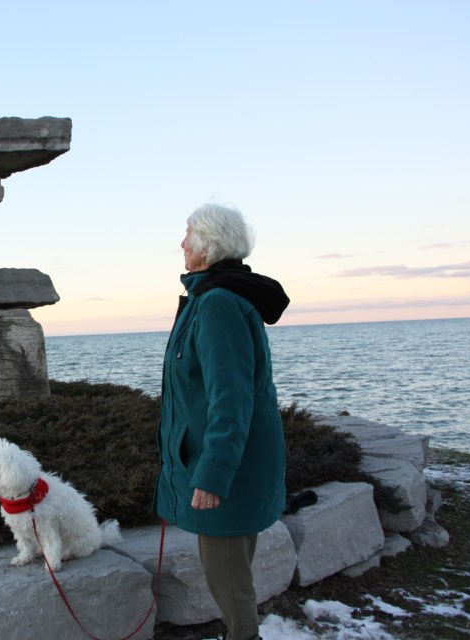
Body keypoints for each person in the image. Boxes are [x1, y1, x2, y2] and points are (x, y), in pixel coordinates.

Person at [154, 203, 290, 640]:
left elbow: (230, 400)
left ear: (208, 244)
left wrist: (213, 475)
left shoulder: (217, 305)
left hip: (227, 470)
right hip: (228, 463)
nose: (181, 243)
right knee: (231, 578)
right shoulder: (211, 299)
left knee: (229, 582)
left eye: (188, 234)